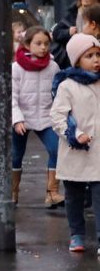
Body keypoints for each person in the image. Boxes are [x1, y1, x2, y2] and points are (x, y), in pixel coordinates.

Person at [49, 34, 100, 253]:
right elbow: (58, 116)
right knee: (74, 197)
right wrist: (75, 134)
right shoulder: (67, 86)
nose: (96, 59)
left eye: (98, 54)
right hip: (75, 152)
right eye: (89, 55)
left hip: (98, 153)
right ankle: (76, 234)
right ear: (77, 60)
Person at [11, 25, 63, 207]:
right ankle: (13, 192)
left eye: (46, 43)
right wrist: (17, 119)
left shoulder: (53, 66)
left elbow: (58, 93)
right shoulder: (16, 68)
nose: (43, 47)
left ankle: (52, 192)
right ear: (27, 44)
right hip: (22, 118)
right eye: (38, 43)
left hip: (46, 117)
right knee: (16, 154)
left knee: (57, 149)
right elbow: (12, 98)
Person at [51, 0, 99, 69]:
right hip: (72, 59)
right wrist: (68, 32)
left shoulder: (97, 14)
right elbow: (56, 33)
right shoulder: (72, 14)